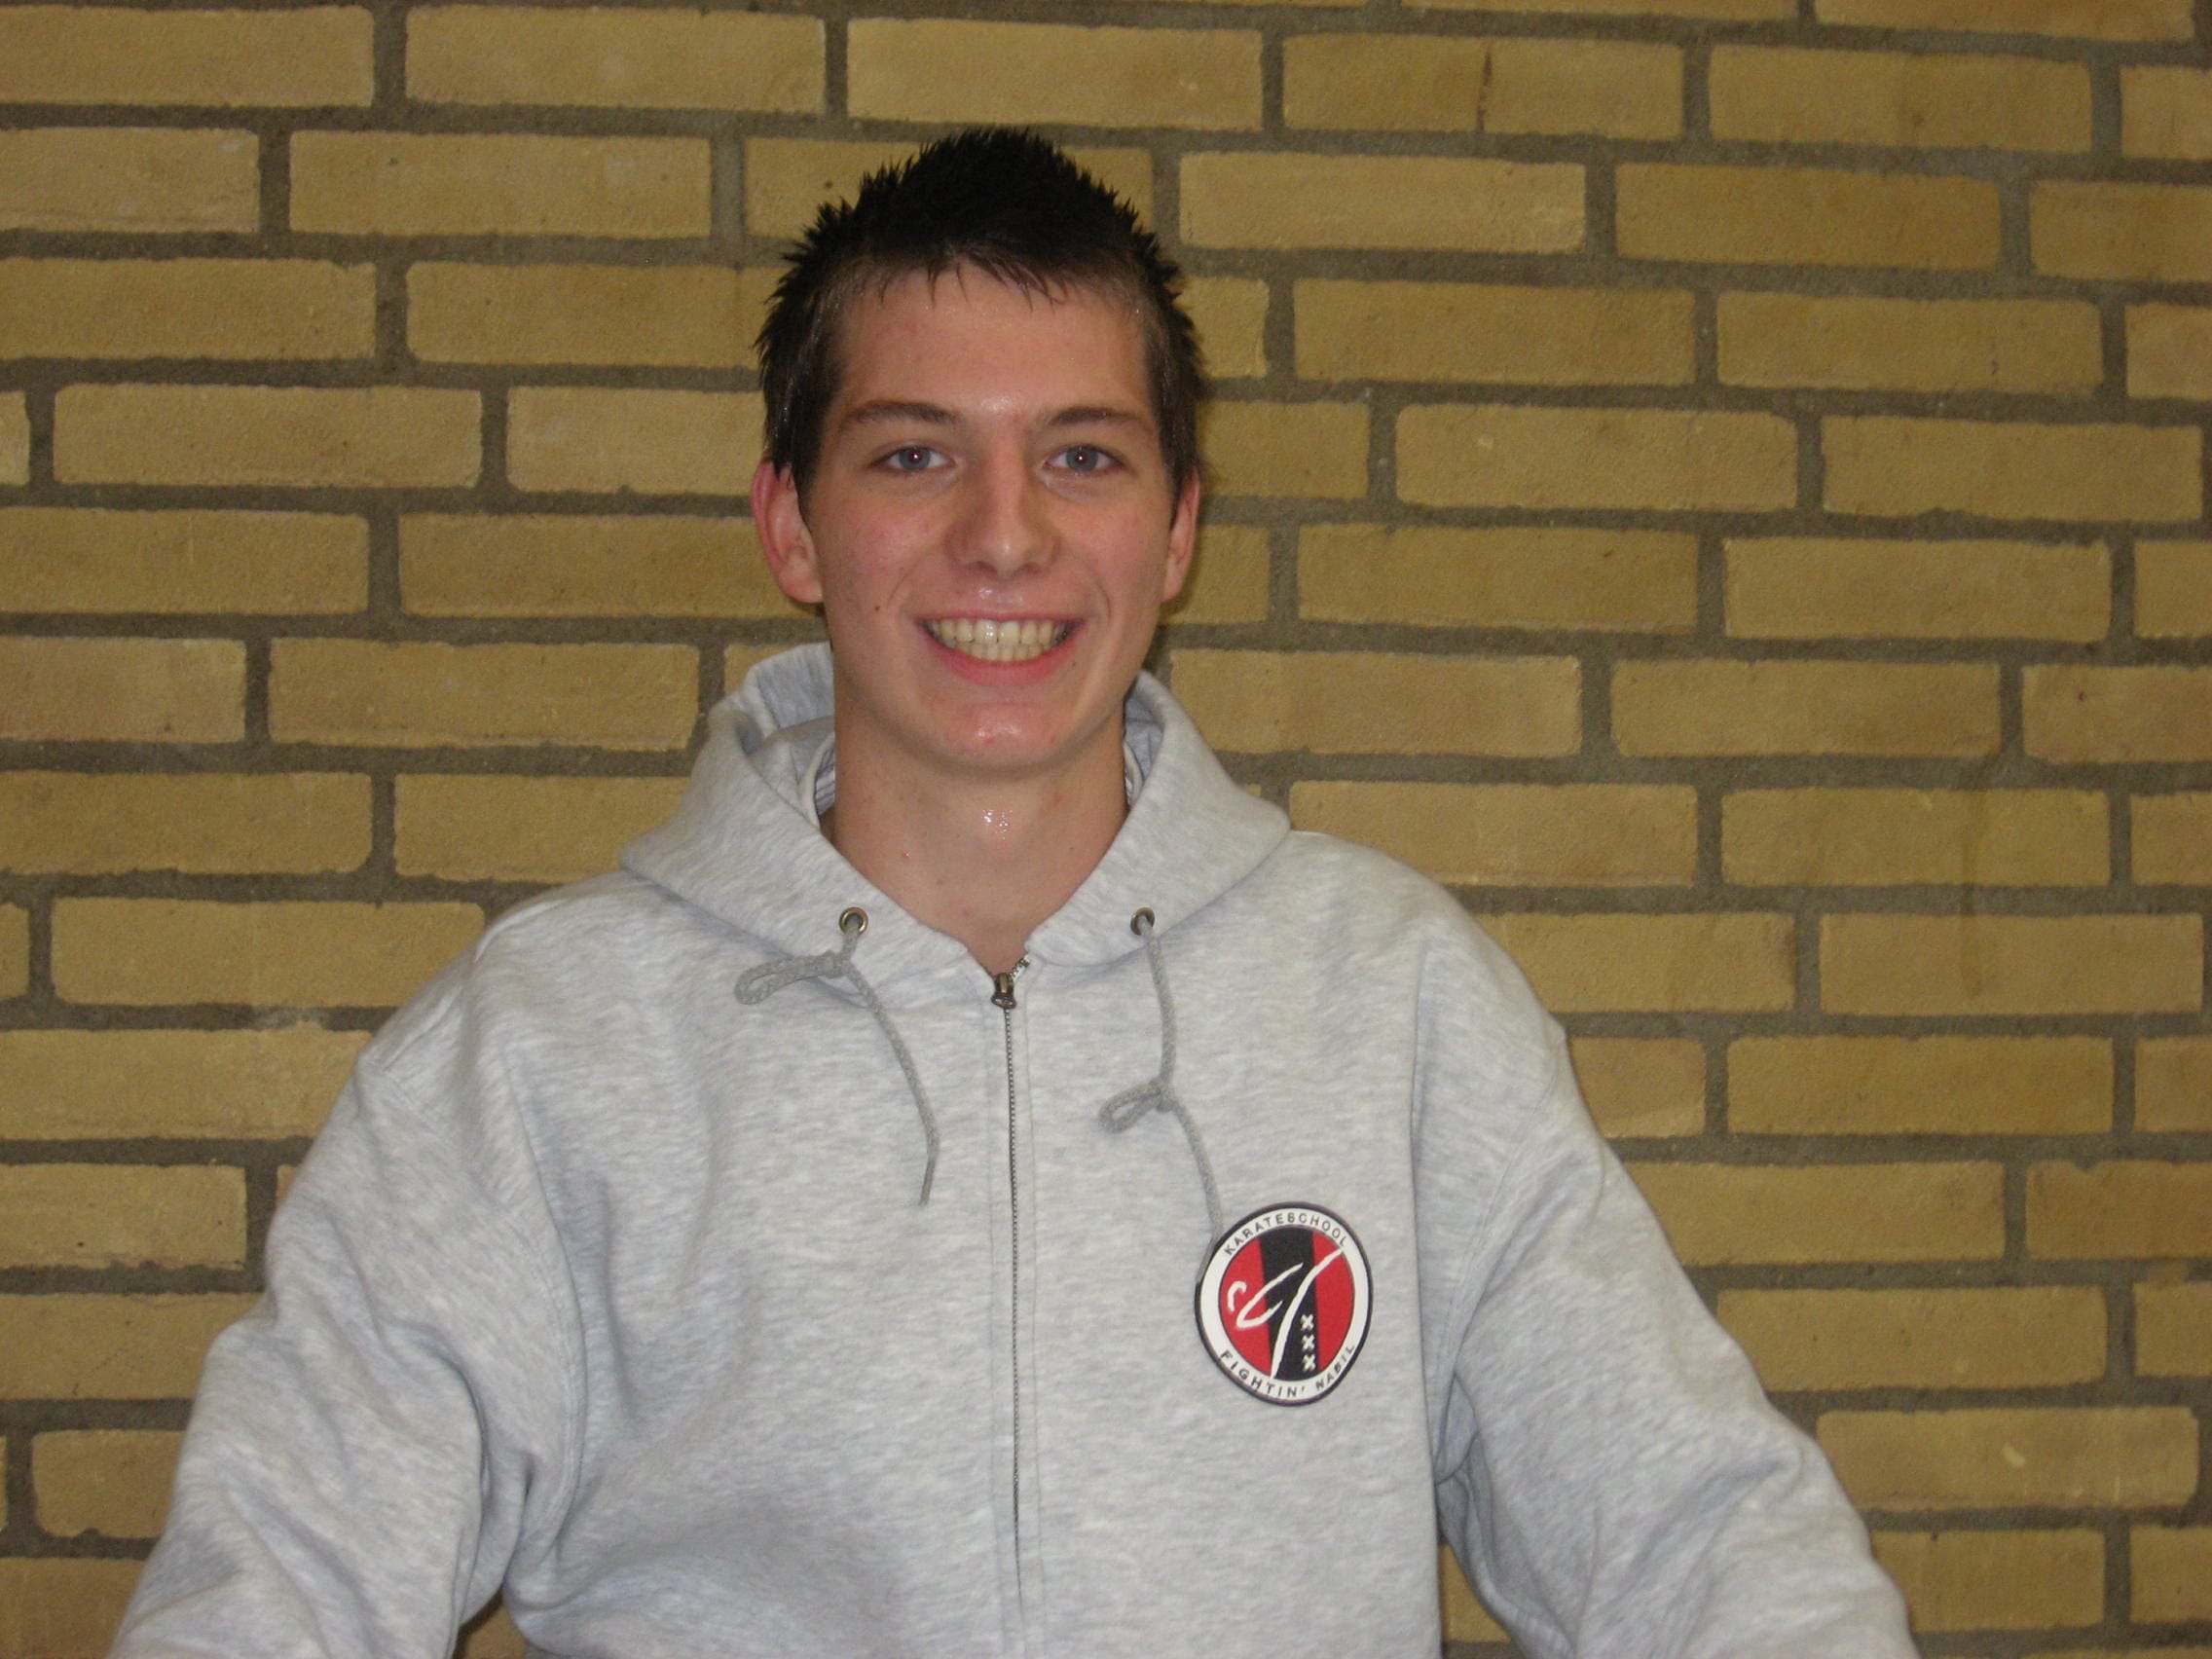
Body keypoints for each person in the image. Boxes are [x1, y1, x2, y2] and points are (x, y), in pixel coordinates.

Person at [113, 129, 1916, 1658]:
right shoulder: (542, 1051)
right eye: (914, 454)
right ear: (791, 524)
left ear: (1178, 527)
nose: (1004, 534)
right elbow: (282, 1580)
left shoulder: (1393, 1004)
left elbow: (1698, 1537)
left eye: (1082, 455)